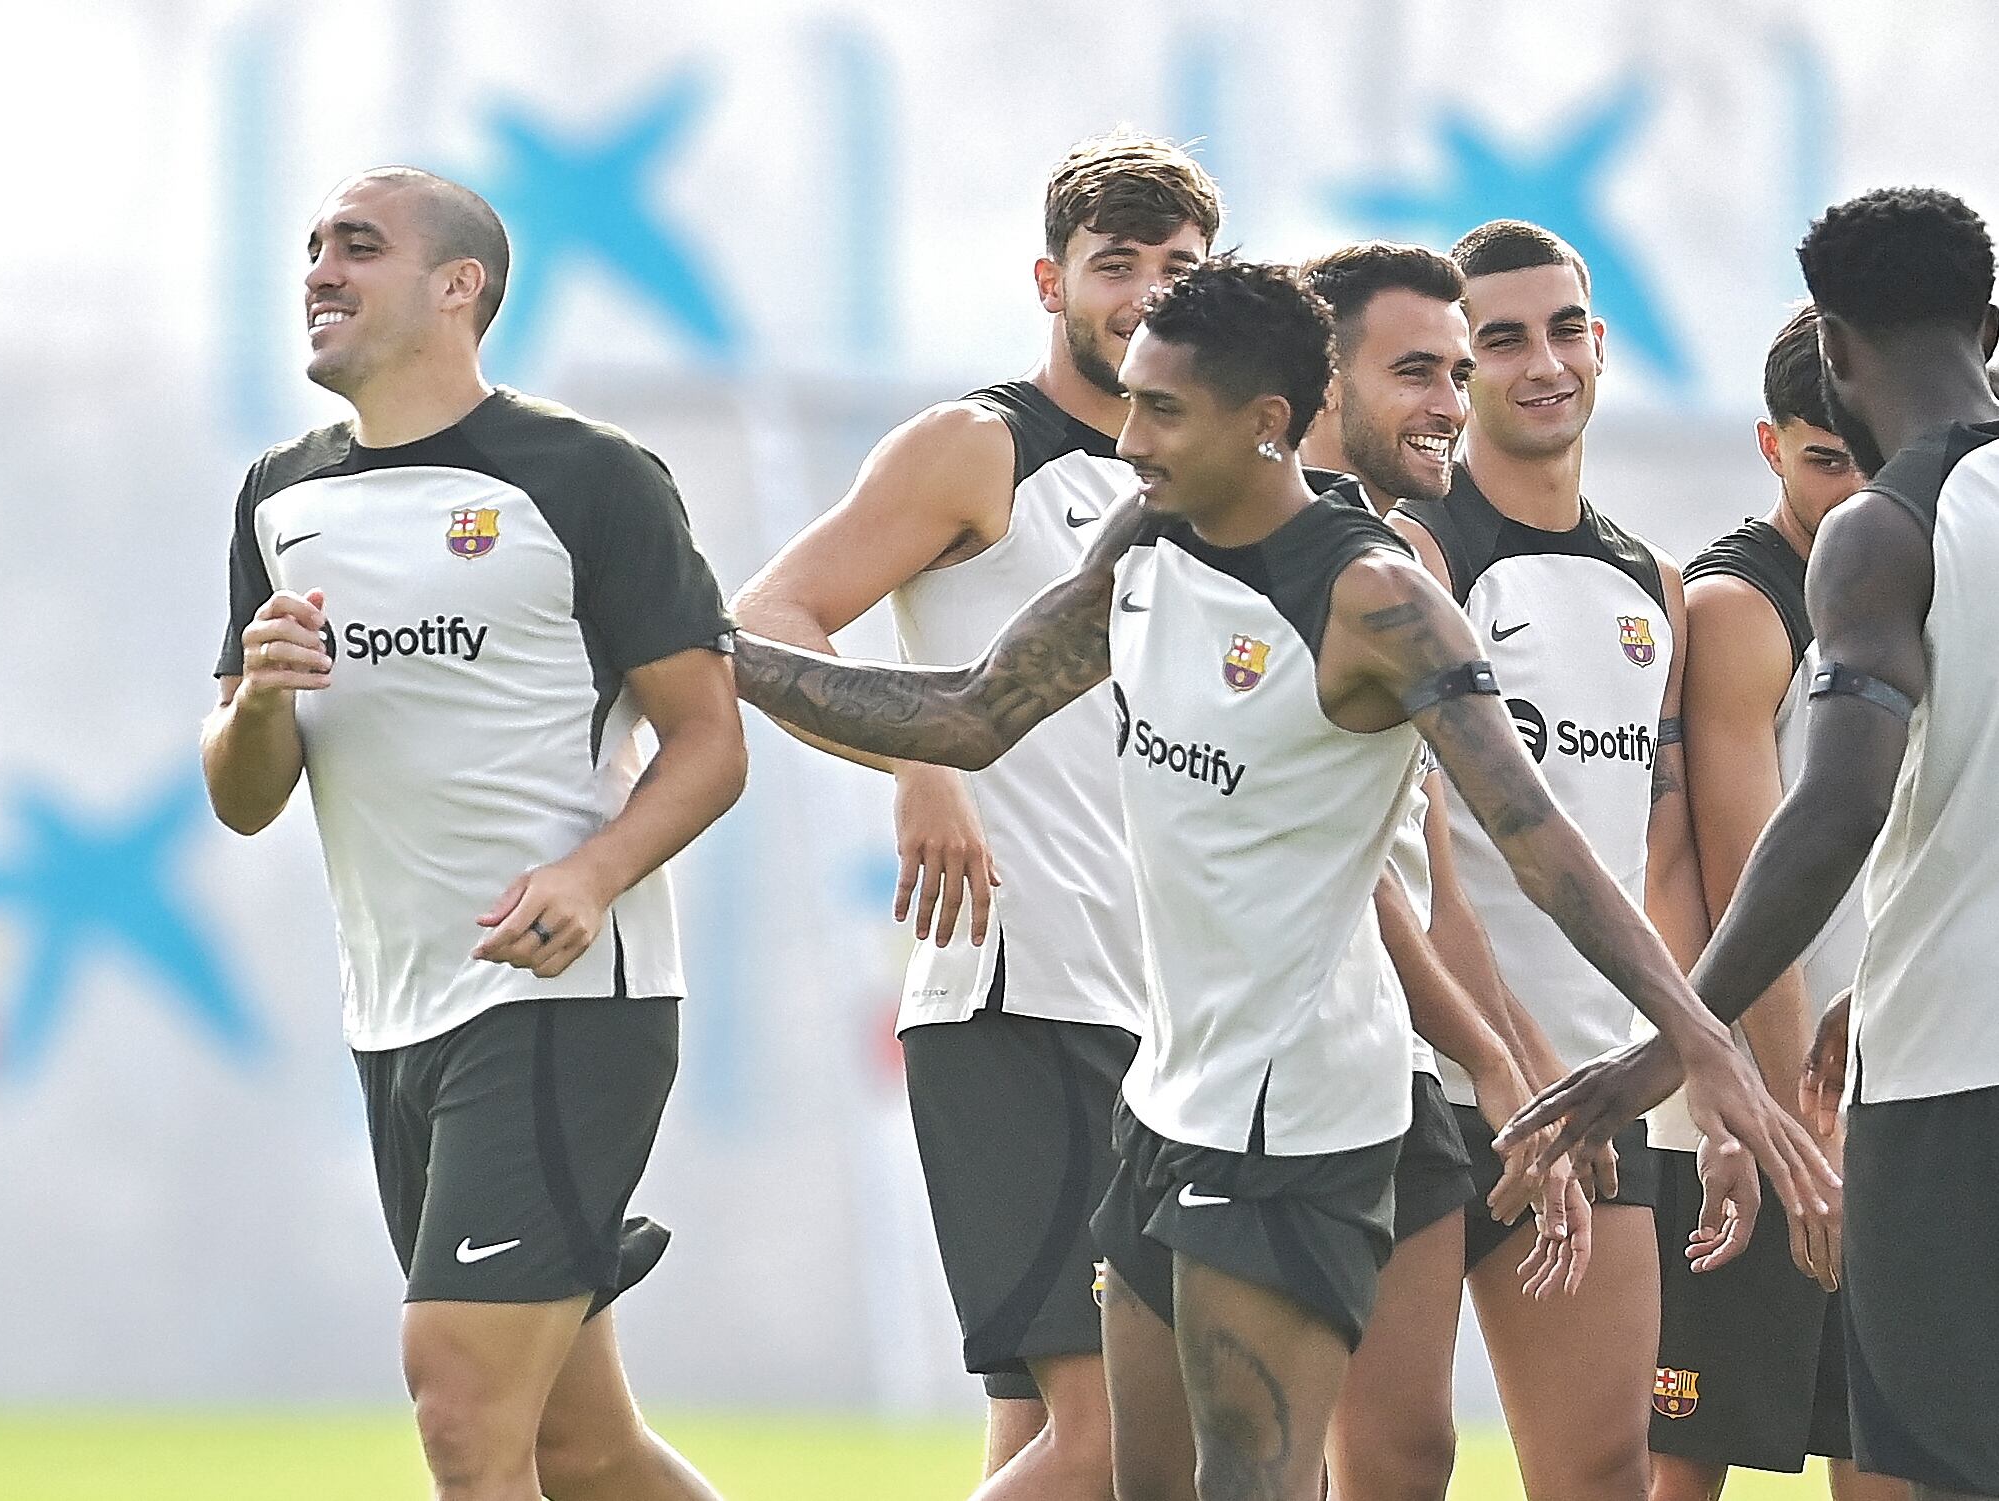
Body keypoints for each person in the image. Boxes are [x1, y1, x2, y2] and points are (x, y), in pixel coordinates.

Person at [729, 255, 1834, 1501]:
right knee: (1139, 1484)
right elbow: (975, 712)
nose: (1126, 435)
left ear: (1264, 426)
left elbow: (1543, 842)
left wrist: (1704, 1049)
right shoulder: (1142, 540)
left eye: (1159, 411)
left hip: (1301, 1129)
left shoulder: (1374, 599)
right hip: (1162, 1105)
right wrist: (721, 650)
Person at [199, 167, 744, 1501]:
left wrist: (592, 872)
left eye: (359, 248)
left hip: (562, 998)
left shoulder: (588, 476)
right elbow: (241, 790)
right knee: (582, 1445)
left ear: (461, 289)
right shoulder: (279, 497)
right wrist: (263, 697)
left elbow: (710, 741)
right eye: (313, 245)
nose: (320, 269)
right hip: (393, 1017)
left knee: (457, 1400)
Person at [730, 131, 1216, 1500]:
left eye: (1178, 269)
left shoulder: (1201, 485)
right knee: (1123, 1441)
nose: (1145, 296)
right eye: (1115, 265)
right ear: (1051, 279)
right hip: (1022, 991)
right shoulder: (977, 447)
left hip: (1164, 1011)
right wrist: (924, 764)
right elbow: (765, 616)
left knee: (1044, 1441)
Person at [1507, 185, 1999, 1501]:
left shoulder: (1882, 533)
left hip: (1954, 1077)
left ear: (1834, 351)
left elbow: (1831, 814)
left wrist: (1670, 1045)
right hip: (1908, 1034)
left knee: (1934, 1460)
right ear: (1993, 325)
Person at [1384, 218, 1707, 1500]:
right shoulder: (1413, 556)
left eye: (1563, 331)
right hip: (1421, 1081)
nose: (1541, 366)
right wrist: (1502, 1063)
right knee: (1397, 1462)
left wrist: (1676, 1069)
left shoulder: (1652, 585)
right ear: (1455, 374)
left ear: (1600, 342)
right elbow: (1425, 861)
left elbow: (1657, 857)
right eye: (1497, 341)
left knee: (1601, 1468)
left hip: (1590, 1093)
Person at [1298, 240, 1592, 1501]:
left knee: (1407, 1454)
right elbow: (1357, 871)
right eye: (1419, 369)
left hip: (1394, 1061)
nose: (1450, 401)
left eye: (1451, 370)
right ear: (1319, 378)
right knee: (1145, 1455)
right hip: (1236, 1086)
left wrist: (1519, 1069)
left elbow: (1429, 868)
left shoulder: (1390, 563)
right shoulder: (1220, 550)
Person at [1644, 305, 1903, 1501]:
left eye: (1869, 456)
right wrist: (1796, 1134)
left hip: (1891, 1092)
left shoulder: (1921, 582)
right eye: (1820, 459)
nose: (1850, 489)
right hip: (1754, 1108)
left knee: (1891, 1452)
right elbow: (1752, 884)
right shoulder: (1738, 607)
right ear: (1767, 444)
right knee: (1690, 1458)